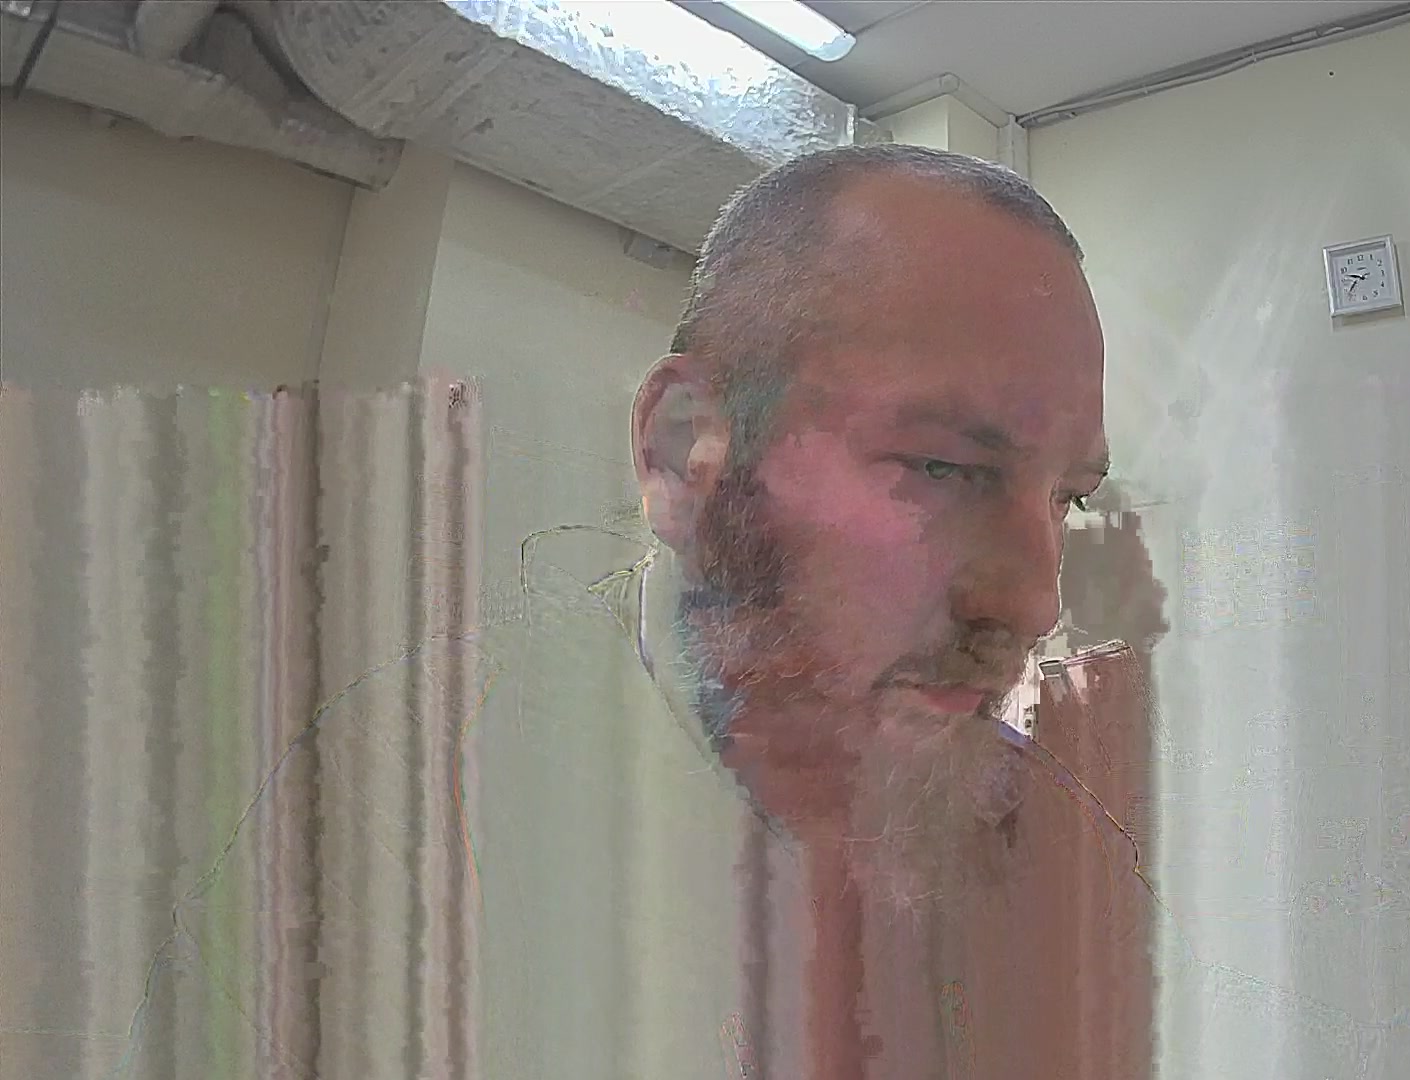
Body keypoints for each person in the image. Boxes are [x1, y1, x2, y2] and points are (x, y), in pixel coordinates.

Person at [132, 143, 1187, 1080]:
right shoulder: (384, 811)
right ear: (686, 449)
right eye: (943, 467)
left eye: (1066, 498)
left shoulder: (1058, 838)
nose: (1034, 601)